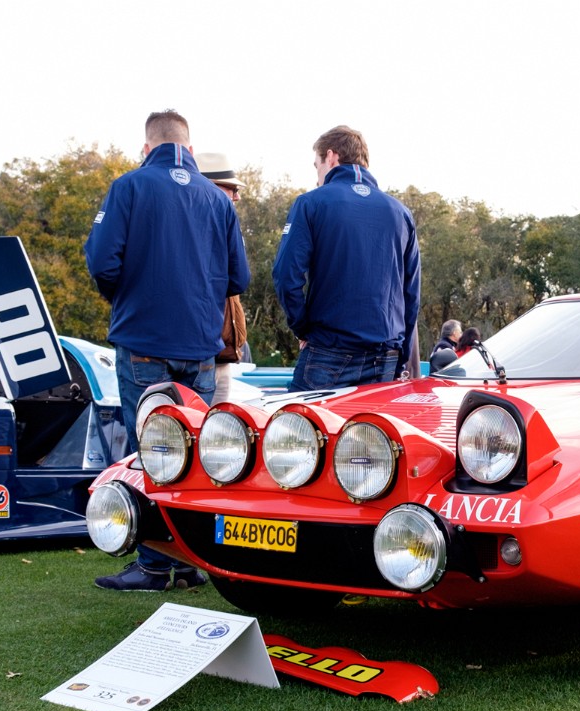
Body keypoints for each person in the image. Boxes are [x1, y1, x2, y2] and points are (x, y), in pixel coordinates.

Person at [85, 110, 250, 591]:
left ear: (146, 147)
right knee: (195, 453)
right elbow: (239, 278)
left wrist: (125, 294)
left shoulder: (130, 187)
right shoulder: (217, 201)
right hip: (200, 345)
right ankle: (191, 561)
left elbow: (100, 259)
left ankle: (156, 566)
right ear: (190, 149)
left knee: (151, 450)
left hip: (144, 339)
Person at [273, 125, 420, 391]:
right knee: (370, 433)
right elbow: (411, 295)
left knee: (302, 431)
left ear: (331, 157)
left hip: (328, 349)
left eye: (316, 166)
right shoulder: (401, 213)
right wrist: (402, 357)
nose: (318, 178)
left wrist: (302, 328)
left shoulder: (310, 203)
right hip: (384, 355)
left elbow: (286, 276)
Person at [198, 152, 252, 403]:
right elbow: (239, 279)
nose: (237, 196)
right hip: (202, 349)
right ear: (210, 187)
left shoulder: (226, 223)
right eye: (230, 188)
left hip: (222, 351)